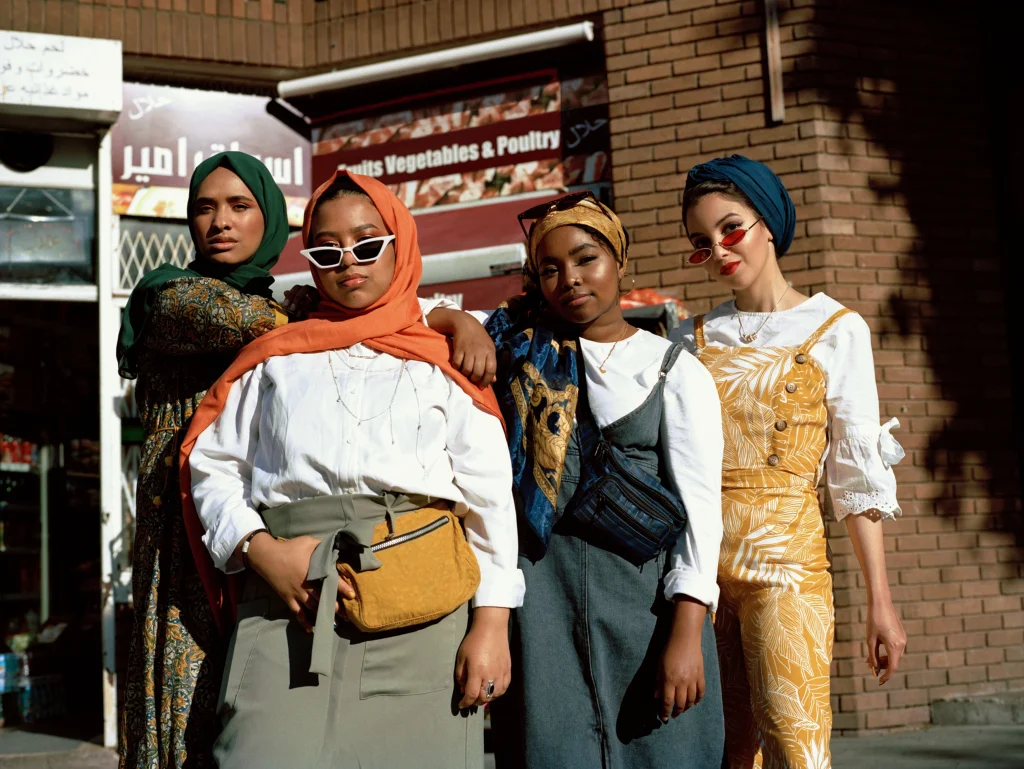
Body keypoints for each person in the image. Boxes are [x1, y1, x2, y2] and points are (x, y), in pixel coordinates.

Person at [178, 170, 523, 769]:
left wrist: (492, 626)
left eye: (367, 244)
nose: (348, 262)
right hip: (288, 605)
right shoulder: (276, 358)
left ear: (400, 243)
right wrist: (259, 550)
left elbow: (489, 499)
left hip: (421, 609)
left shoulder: (444, 360)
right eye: (326, 250)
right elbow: (214, 465)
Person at [431, 192, 726, 768]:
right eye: (550, 268)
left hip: (646, 611)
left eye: (587, 259)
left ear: (620, 262)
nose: (570, 278)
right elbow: (405, 313)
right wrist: (458, 320)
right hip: (543, 607)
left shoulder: (672, 369)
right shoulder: (515, 351)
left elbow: (701, 513)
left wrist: (687, 634)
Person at [674, 154, 908, 769]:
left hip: (788, 566)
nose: (719, 250)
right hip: (701, 569)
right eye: (701, 243)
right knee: (721, 751)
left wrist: (880, 602)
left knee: (793, 742)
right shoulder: (689, 339)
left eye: (730, 229)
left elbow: (854, 479)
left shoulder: (836, 329)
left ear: (769, 223)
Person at [117, 151, 298, 769]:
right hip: (184, 531)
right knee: (188, 704)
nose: (220, 221)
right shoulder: (169, 296)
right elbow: (236, 319)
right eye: (204, 207)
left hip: (264, 525)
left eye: (239, 206)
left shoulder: (292, 315)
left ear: (268, 217)